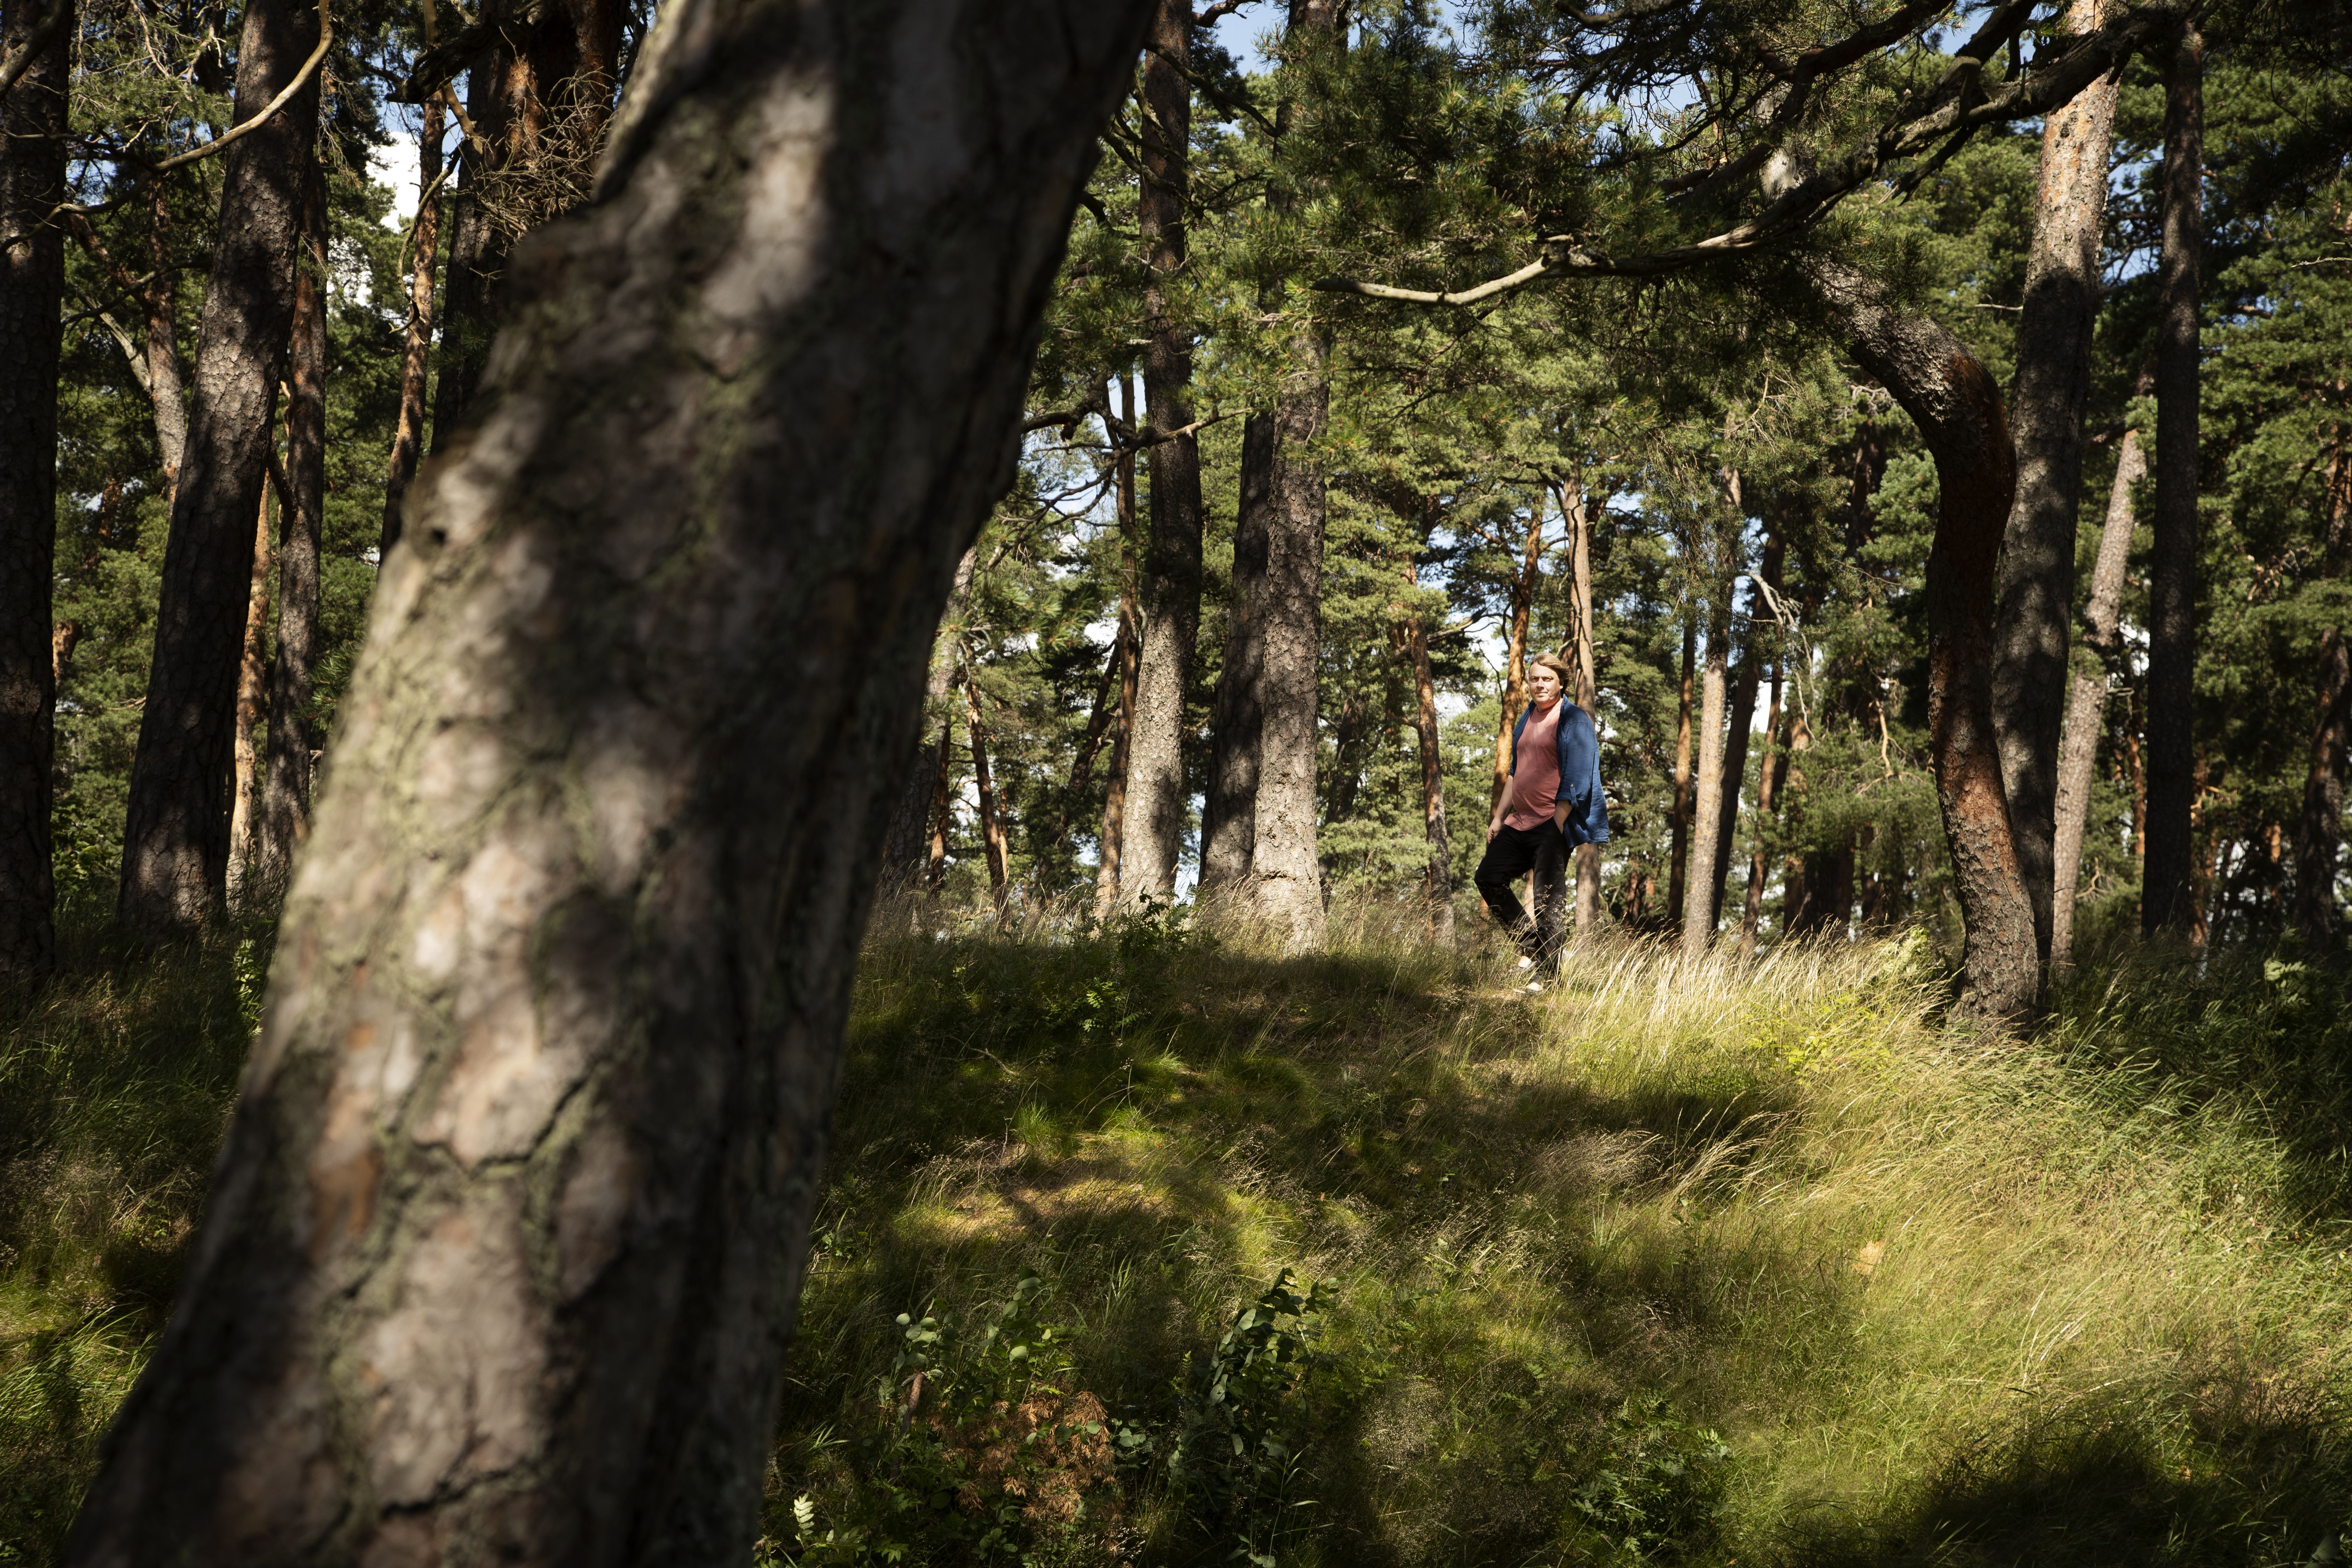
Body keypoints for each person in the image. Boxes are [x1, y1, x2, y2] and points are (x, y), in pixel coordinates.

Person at [1477, 653, 1609, 988]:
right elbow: (1515, 771)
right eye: (1534, 679)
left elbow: (1579, 776)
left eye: (1547, 679)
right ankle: (1532, 947)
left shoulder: (1573, 719)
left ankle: (1548, 981)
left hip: (1551, 824)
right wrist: (1499, 817)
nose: (1540, 684)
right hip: (1519, 822)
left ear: (1561, 683)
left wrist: (1557, 823)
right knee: (1488, 877)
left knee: (1548, 900)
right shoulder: (1528, 716)